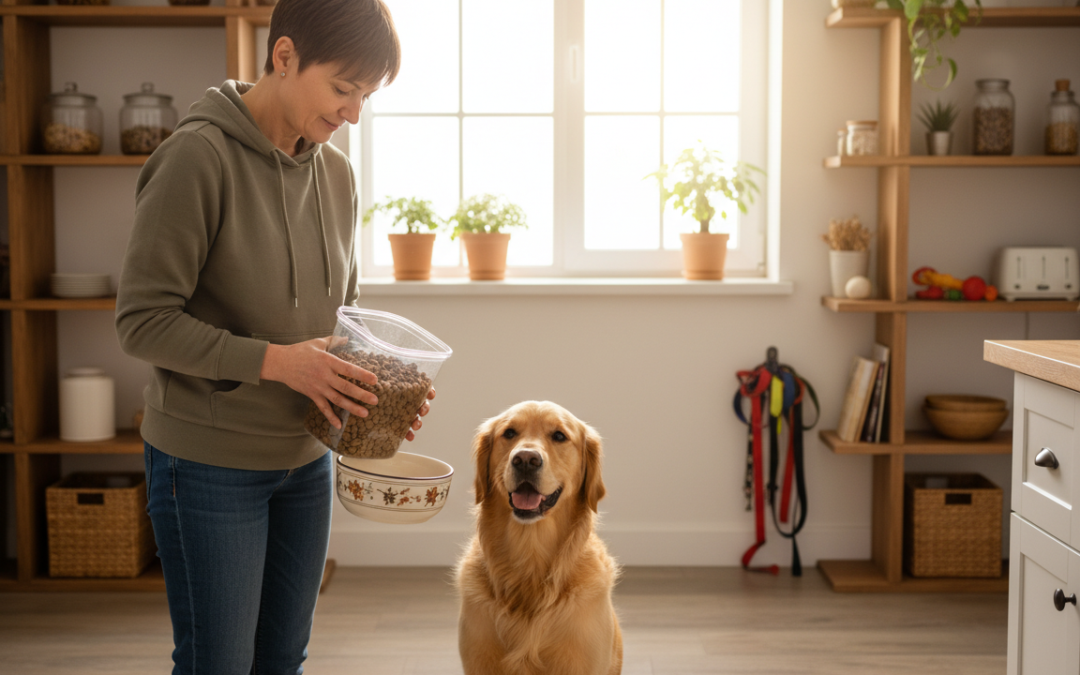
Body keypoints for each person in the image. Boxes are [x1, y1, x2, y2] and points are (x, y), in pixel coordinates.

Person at [114, 1, 426, 673]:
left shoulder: (336, 176)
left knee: (283, 657)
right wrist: (278, 363)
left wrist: (382, 394)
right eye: (343, 88)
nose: (353, 113)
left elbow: (340, 321)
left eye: (366, 95)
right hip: (206, 464)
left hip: (303, 461)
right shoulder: (196, 159)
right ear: (283, 56)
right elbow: (141, 319)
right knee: (218, 662)